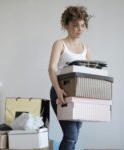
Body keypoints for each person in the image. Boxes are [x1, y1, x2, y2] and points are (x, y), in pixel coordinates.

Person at [48, 6, 92, 150]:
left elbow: (90, 74)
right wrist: (58, 90)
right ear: (66, 25)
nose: (79, 29)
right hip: (62, 91)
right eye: (75, 26)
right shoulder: (60, 44)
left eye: (82, 25)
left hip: (79, 95)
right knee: (71, 135)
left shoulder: (86, 49)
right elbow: (52, 68)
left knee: (75, 135)